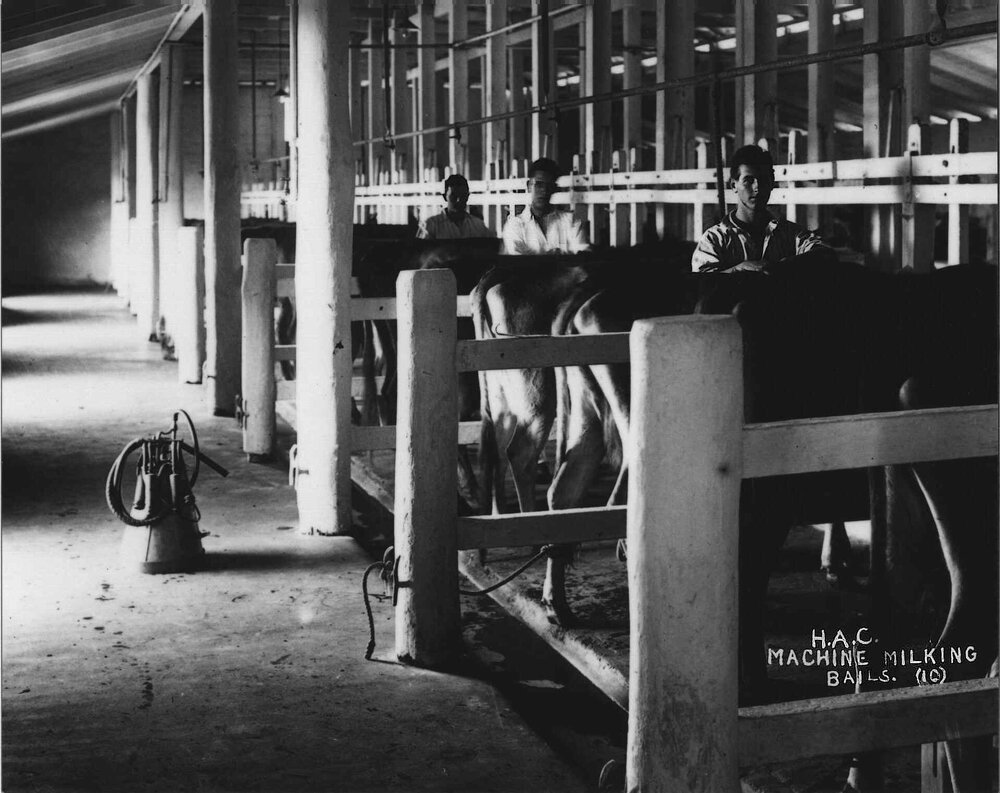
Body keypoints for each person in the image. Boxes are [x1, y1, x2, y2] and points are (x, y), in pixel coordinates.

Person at [692, 144, 836, 273]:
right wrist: (737, 270)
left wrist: (782, 267)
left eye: (763, 180)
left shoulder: (790, 234)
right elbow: (702, 286)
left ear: (772, 182)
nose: (757, 187)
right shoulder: (714, 239)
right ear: (733, 185)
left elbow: (825, 253)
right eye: (748, 180)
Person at [501, 158, 589, 255]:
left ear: (555, 189)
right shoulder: (515, 225)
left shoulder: (571, 221)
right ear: (529, 186)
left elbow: (583, 258)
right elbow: (519, 265)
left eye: (549, 186)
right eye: (538, 184)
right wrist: (558, 259)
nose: (544, 190)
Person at [416, 174, 493, 240]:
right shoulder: (430, 226)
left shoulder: (478, 226)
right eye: (454, 196)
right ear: (444, 197)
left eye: (463, 195)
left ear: (468, 196)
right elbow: (421, 254)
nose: (459, 200)